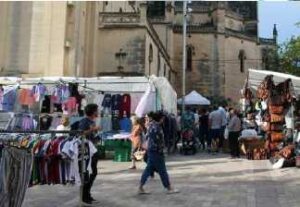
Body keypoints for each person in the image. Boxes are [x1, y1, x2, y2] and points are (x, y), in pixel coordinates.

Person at [139, 112, 178, 194]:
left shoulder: (150, 125)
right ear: (160, 118)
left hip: (151, 150)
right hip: (156, 151)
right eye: (163, 118)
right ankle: (169, 187)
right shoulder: (156, 127)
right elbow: (158, 141)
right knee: (162, 170)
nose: (164, 120)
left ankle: (141, 187)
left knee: (148, 169)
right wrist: (162, 150)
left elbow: (148, 138)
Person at [78, 104, 101, 205]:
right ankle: (84, 196)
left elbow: (92, 135)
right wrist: (93, 129)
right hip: (86, 151)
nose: (98, 112)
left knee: (93, 173)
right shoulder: (84, 121)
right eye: (96, 110)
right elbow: (81, 133)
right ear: (93, 111)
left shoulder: (92, 121)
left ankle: (87, 194)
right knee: (89, 173)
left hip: (93, 149)